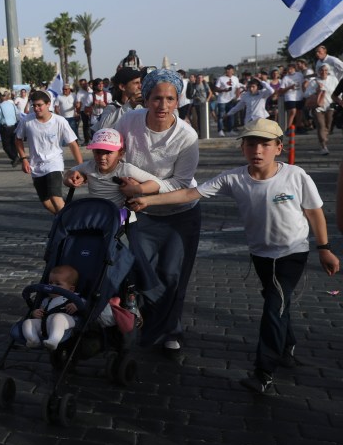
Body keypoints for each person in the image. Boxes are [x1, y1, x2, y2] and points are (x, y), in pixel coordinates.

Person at [127, 119, 339, 394]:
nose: (257, 150)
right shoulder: (234, 178)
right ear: (243, 148)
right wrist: (148, 200)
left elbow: (314, 212)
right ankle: (286, 346)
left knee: (275, 305)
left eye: (265, 144)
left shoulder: (296, 176)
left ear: (279, 148)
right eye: (251, 144)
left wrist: (324, 248)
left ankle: (264, 371)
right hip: (260, 256)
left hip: (292, 255)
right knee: (277, 301)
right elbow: (191, 193)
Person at [69, 68, 199, 361]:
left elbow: (181, 182)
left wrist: (143, 190)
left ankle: (171, 332)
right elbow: (109, 154)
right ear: (146, 97)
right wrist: (81, 174)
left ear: (177, 100)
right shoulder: (129, 120)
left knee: (172, 274)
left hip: (179, 212)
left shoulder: (187, 136)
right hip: (140, 211)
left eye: (169, 98)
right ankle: (139, 325)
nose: (162, 105)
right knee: (143, 272)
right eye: (156, 98)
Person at [15, 90, 82, 215]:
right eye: (34, 105)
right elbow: (18, 139)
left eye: (39, 105)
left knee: (55, 196)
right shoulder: (27, 121)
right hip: (36, 166)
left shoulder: (59, 121)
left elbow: (73, 144)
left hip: (54, 163)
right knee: (46, 203)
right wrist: (23, 159)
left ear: (48, 104)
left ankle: (68, 227)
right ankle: (66, 219)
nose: (36, 108)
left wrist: (80, 167)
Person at [67, 128, 157, 215]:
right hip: (94, 213)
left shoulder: (125, 169)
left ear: (120, 154)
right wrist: (70, 179)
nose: (102, 157)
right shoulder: (89, 166)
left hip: (117, 215)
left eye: (108, 152)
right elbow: (68, 174)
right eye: (98, 152)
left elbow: (155, 184)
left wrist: (136, 189)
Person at [20, 265, 82, 350]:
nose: (52, 286)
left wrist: (77, 305)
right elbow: (41, 311)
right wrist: (35, 313)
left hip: (67, 322)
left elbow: (85, 305)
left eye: (57, 284)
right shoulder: (46, 300)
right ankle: (33, 339)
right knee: (27, 322)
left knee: (59, 317)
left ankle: (54, 340)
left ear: (71, 289)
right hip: (45, 325)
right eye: (50, 283)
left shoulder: (74, 297)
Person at [94, 67, 143, 133]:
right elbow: (102, 128)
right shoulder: (112, 108)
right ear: (122, 87)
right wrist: (130, 105)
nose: (140, 86)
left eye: (140, 82)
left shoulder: (141, 107)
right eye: (136, 83)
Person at [303, 64, 337, 155]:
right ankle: (323, 146)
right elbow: (306, 94)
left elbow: (338, 92)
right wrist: (316, 90)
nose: (323, 72)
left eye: (325, 70)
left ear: (328, 71)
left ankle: (324, 139)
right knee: (321, 126)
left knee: (328, 127)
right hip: (317, 107)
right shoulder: (314, 81)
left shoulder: (333, 80)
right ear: (318, 72)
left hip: (331, 106)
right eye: (321, 70)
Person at [0, 91, 20, 166]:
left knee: (6, 146)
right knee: (13, 144)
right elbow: (18, 115)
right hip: (13, 127)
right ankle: (15, 158)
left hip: (6, 128)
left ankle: (15, 157)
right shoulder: (12, 105)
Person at [213, 65, 241, 136]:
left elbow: (238, 88)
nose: (227, 71)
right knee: (221, 115)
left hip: (232, 100)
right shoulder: (221, 78)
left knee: (231, 115)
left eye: (229, 69)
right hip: (222, 100)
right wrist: (223, 90)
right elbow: (216, 89)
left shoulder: (235, 78)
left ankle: (230, 130)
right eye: (226, 69)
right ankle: (220, 130)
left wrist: (237, 97)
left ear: (233, 71)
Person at [279, 64, 305, 131]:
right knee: (293, 111)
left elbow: (305, 81)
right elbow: (281, 90)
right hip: (290, 97)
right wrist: (290, 87)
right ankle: (289, 127)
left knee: (300, 112)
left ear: (294, 68)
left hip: (299, 96)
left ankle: (298, 126)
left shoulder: (299, 74)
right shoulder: (285, 78)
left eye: (291, 69)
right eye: (288, 69)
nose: (289, 71)